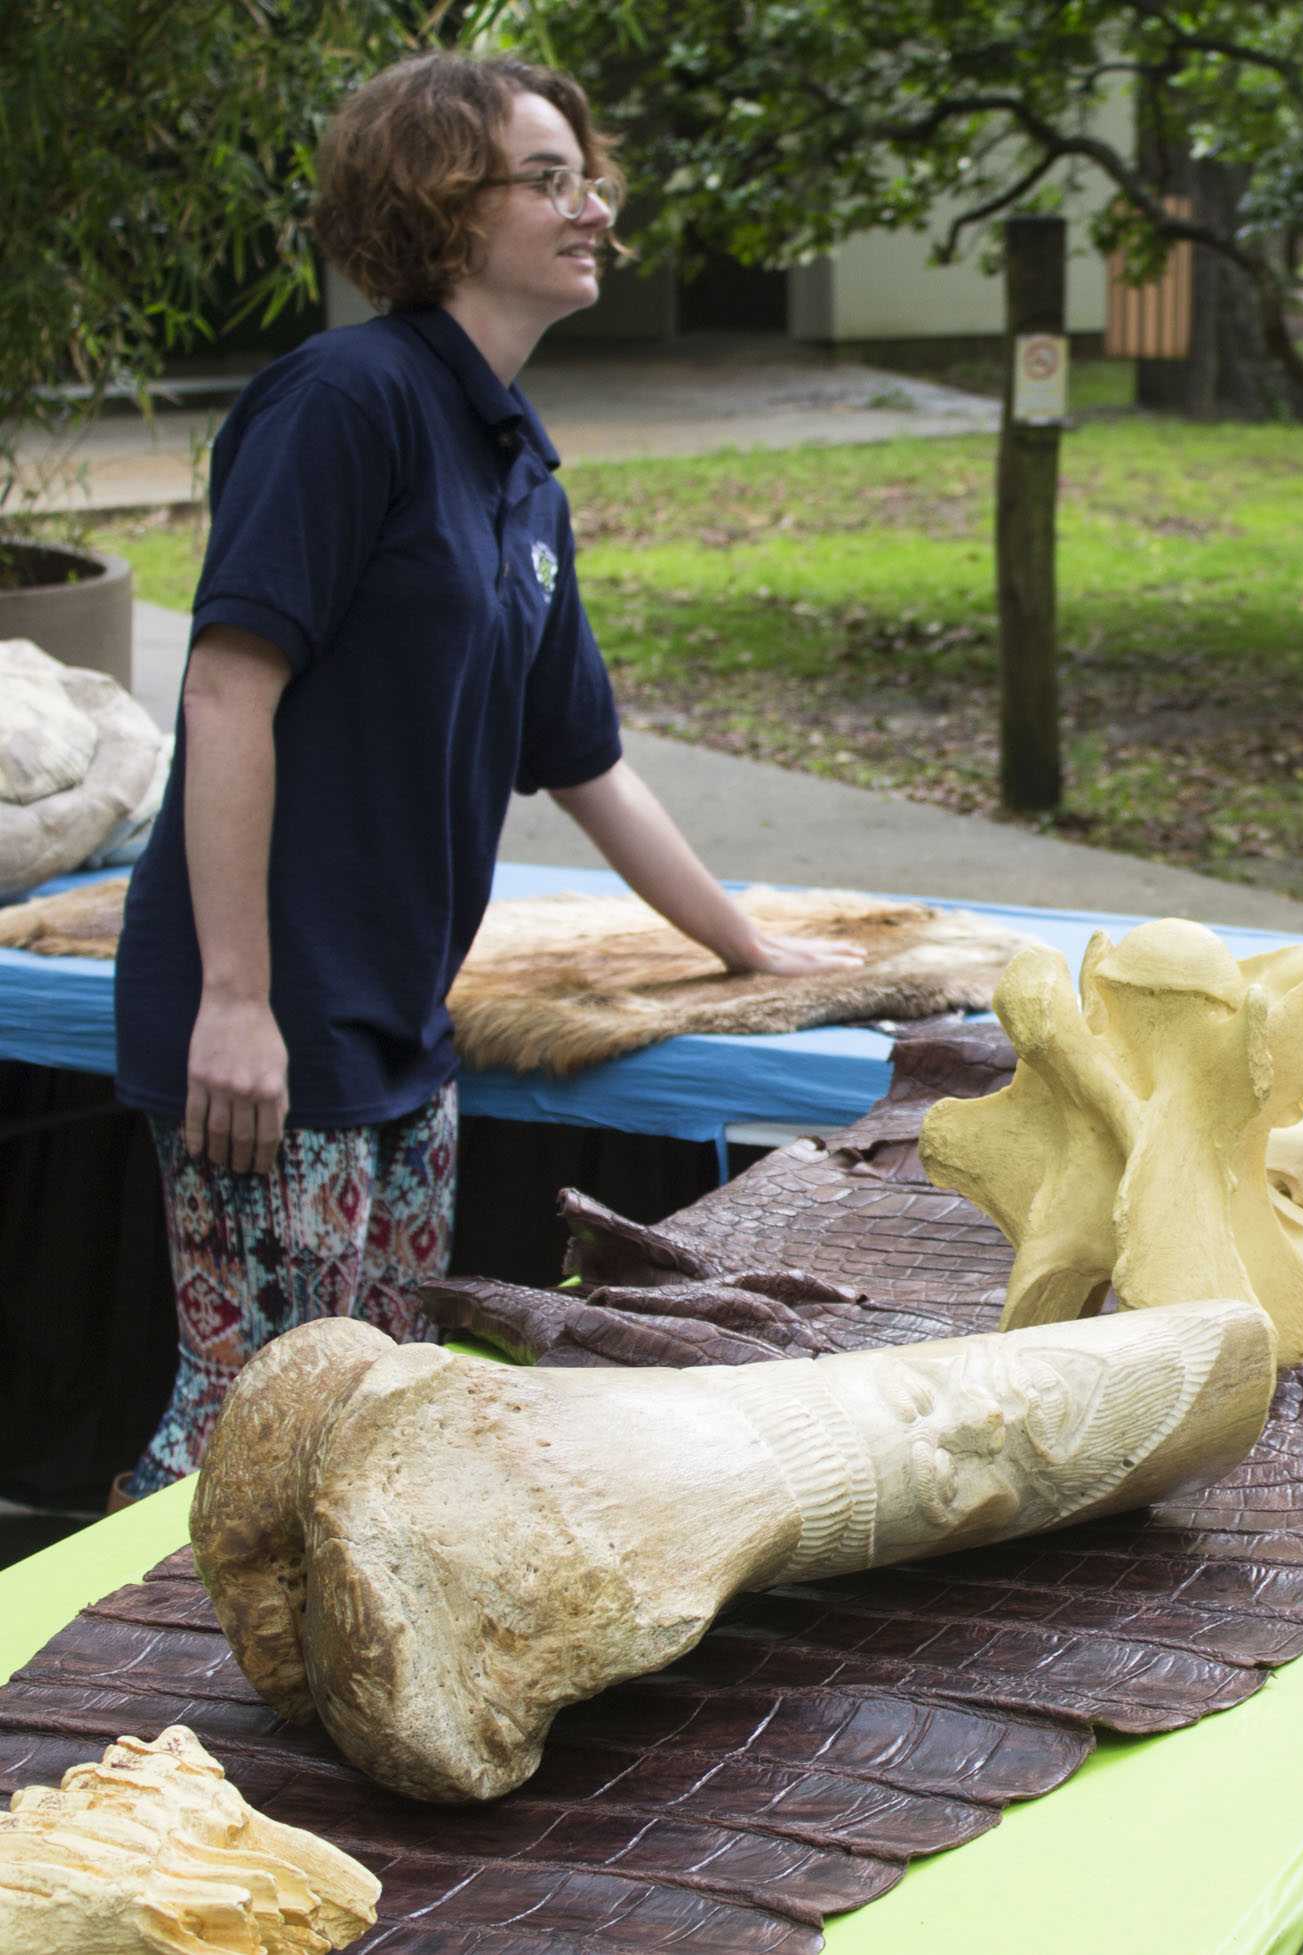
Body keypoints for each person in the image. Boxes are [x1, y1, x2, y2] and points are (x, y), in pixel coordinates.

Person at [109, 50, 861, 1499]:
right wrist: (237, 998)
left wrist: (752, 946)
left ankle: (263, 1718)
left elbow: (585, 761)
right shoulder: (346, 401)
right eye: (547, 179)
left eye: (591, 177)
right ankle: (72, 1711)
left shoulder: (520, 463)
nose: (593, 210)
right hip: (271, 1026)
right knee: (245, 1432)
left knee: (365, 1427)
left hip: (406, 1032)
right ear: (444, 206)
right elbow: (223, 690)